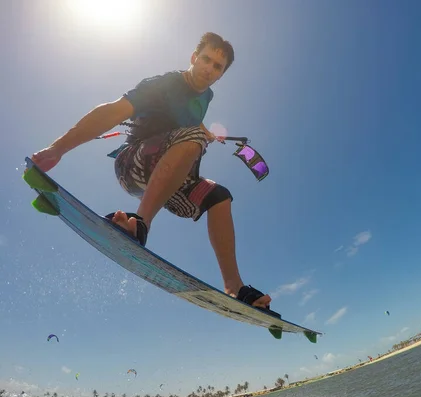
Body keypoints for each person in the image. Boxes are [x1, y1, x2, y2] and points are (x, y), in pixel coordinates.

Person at [30, 32, 278, 318]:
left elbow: (190, 118)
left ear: (221, 75)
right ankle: (141, 222)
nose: (209, 69)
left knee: (219, 196)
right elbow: (112, 111)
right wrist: (58, 149)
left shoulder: (207, 96)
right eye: (206, 59)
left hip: (170, 180)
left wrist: (203, 129)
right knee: (194, 136)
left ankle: (234, 287)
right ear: (194, 57)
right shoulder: (165, 84)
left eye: (217, 67)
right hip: (131, 165)